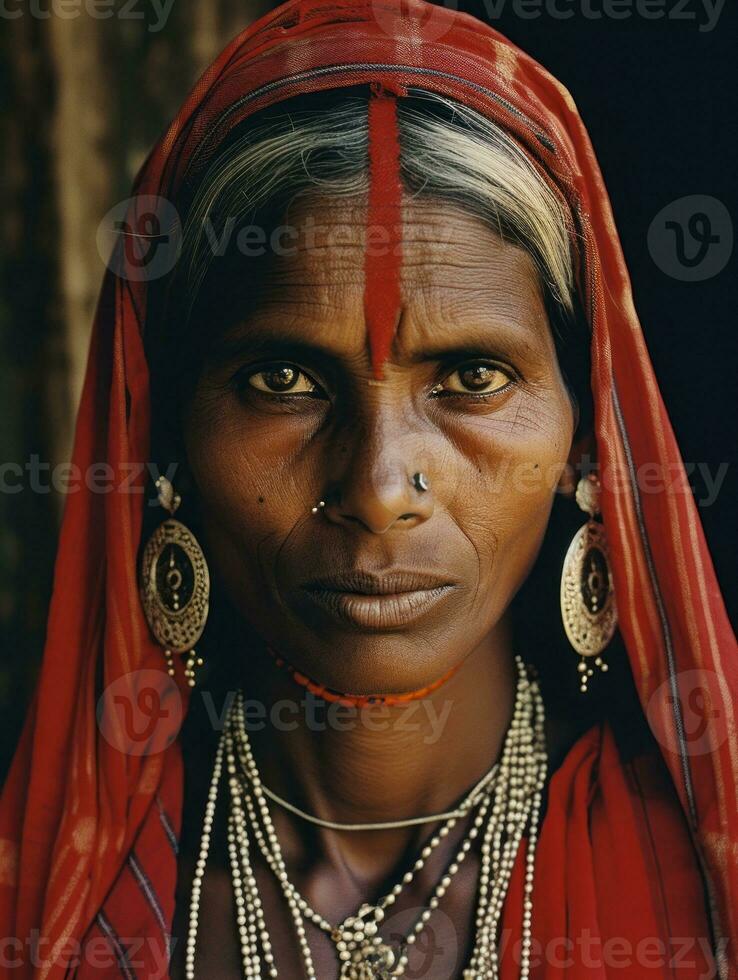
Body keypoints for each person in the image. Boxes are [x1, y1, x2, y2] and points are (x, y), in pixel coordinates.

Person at [1, 0, 736, 977]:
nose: (381, 486)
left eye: (472, 376)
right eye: (284, 380)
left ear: (588, 438)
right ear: (165, 435)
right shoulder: (60, 903)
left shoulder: (701, 891)